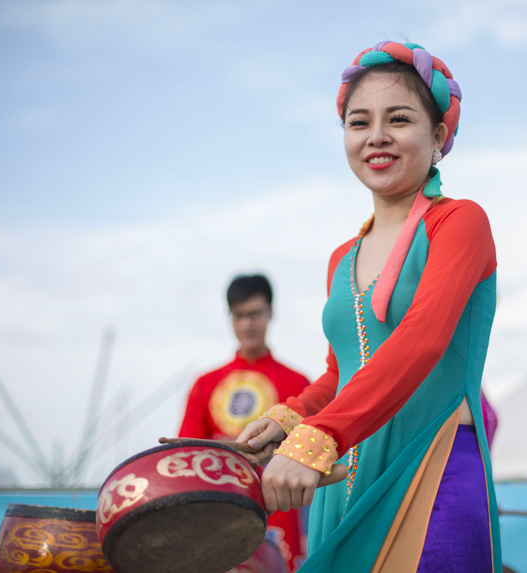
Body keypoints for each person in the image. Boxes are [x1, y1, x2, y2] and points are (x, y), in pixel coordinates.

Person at [237, 41, 500, 572]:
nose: (376, 136)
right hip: (339, 473)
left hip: (431, 466)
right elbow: (343, 371)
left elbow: (422, 339)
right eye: (359, 122)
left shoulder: (459, 222)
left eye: (398, 119)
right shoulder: (342, 257)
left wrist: (321, 435)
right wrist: (290, 419)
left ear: (438, 136)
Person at [178, 273, 310, 572]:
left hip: (280, 509)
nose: (247, 324)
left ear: (270, 312)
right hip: (219, 510)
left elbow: (312, 451)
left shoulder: (298, 383)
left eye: (254, 314)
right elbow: (186, 453)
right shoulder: (205, 384)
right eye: (239, 316)